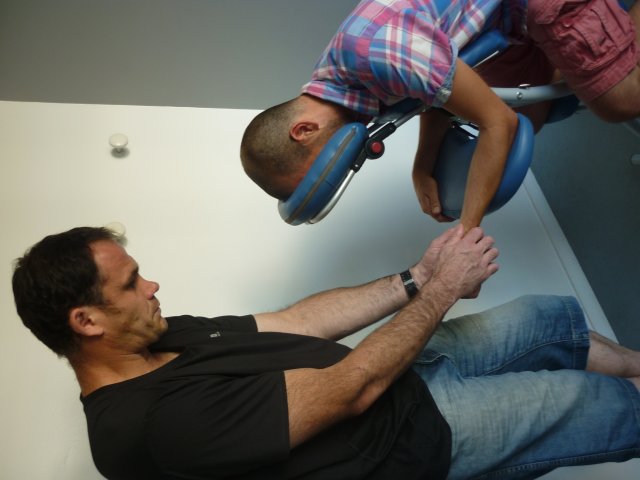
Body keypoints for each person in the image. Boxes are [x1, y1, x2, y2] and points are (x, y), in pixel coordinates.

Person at [11, 225, 640, 479]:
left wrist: (418, 278)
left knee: (546, 320)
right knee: (598, 403)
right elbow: (352, 391)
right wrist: (444, 291)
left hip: (401, 371)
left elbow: (295, 322)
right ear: (86, 321)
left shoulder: (162, 334)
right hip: (417, 436)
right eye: (131, 284)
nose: (152, 286)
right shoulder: (144, 429)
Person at [240, 0, 640, 231]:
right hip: (498, 21)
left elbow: (497, 122)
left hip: (522, 6)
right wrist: (422, 165)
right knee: (534, 116)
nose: (343, 163)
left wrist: (467, 233)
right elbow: (430, 94)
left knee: (618, 102)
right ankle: (603, 46)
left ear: (304, 130)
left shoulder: (376, 54)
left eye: (327, 165)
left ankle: (614, 52)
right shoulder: (335, 84)